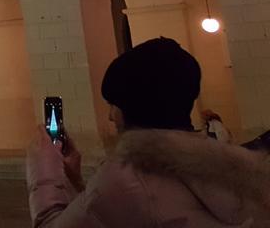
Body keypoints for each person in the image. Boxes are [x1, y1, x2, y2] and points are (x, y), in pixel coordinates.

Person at [27, 37, 270, 227]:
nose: (111, 115)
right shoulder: (232, 171)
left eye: (115, 104)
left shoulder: (128, 180)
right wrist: (78, 182)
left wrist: (45, 172)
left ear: (135, 106)